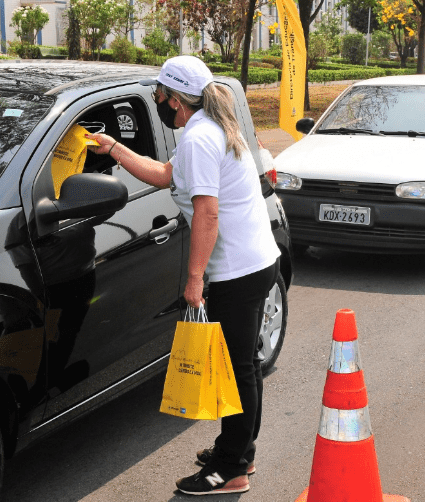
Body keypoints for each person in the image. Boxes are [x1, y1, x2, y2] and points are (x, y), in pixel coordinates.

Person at [86, 55, 280, 496]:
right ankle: (238, 451)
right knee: (244, 365)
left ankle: (231, 467)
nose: (155, 99)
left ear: (175, 99)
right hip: (254, 262)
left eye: (159, 93)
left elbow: (207, 214)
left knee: (238, 369)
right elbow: (165, 176)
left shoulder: (199, 138)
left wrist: (195, 279)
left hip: (238, 270)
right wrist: (114, 147)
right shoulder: (207, 130)